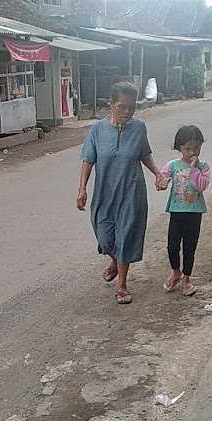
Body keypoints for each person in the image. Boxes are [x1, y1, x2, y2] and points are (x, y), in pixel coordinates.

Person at [76, 82, 165, 305]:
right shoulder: (97, 129)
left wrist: (157, 173)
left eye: (131, 107)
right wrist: (82, 189)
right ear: (111, 104)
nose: (127, 112)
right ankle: (115, 260)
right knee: (104, 238)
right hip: (105, 193)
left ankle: (122, 285)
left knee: (126, 237)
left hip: (131, 193)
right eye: (121, 107)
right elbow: (88, 160)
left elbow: (144, 154)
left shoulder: (139, 128)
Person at [158, 124, 210, 297]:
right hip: (176, 212)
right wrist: (162, 182)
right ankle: (175, 271)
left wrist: (194, 169)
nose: (192, 152)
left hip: (194, 213)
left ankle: (187, 278)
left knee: (190, 247)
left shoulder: (203, 167)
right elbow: (163, 177)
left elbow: (201, 186)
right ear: (179, 148)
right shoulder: (173, 165)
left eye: (196, 148)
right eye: (187, 148)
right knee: (172, 246)